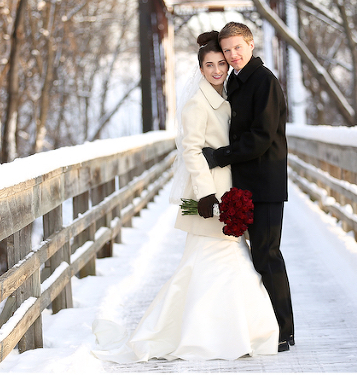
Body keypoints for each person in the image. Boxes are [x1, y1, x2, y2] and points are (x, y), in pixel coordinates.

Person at [92, 30, 279, 363]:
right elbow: (191, 151)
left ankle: (232, 333)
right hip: (211, 196)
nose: (219, 69)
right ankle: (211, 335)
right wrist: (207, 194)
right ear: (201, 69)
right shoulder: (197, 104)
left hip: (229, 192)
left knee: (217, 265)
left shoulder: (226, 98)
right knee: (211, 264)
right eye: (210, 65)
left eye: (222, 62)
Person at [202, 21, 295, 352]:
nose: (232, 55)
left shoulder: (264, 81)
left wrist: (221, 156)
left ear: (251, 45)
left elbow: (261, 136)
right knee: (259, 256)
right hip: (246, 184)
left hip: (265, 183)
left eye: (237, 47)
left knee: (268, 255)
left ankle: (283, 331)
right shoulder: (237, 81)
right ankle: (269, 327)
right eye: (226, 50)